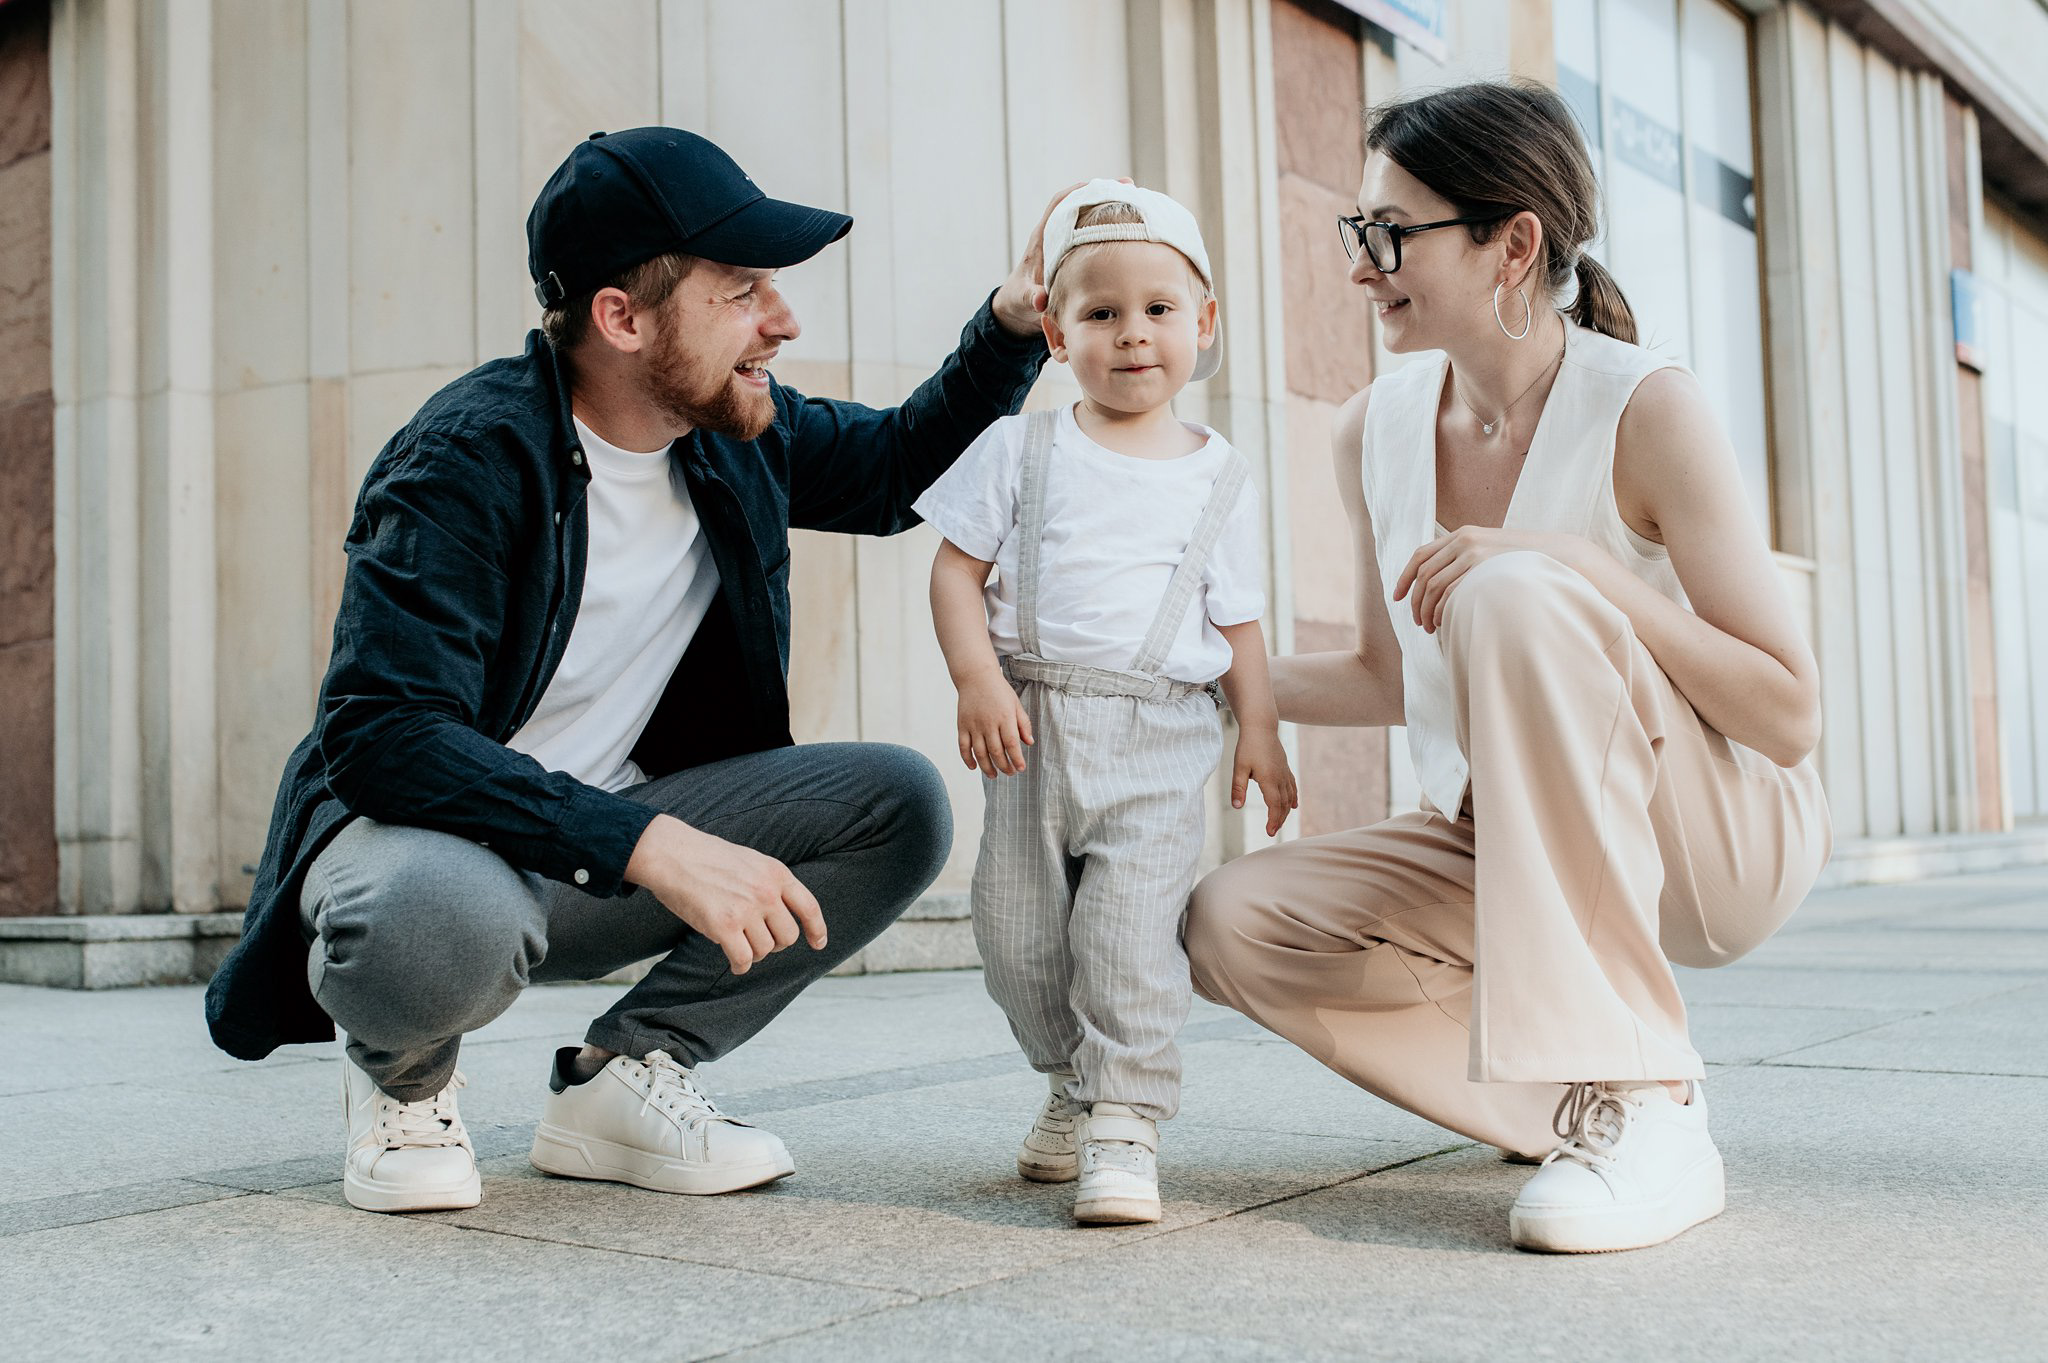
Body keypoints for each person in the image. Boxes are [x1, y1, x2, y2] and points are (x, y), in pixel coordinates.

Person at [204, 127, 1065, 1214]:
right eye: (742, 291)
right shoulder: (464, 459)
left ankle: (621, 1078)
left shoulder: (733, 435)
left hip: (593, 869)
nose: (782, 321)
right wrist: (648, 842)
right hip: (442, 861)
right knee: (436, 918)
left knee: (896, 802)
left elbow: (895, 470)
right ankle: (404, 1082)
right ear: (621, 317)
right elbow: (383, 735)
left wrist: (1006, 329)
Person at [1182, 82, 1832, 1253]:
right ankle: (1574, 1102)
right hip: (1503, 836)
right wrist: (1189, 674)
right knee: (1235, 921)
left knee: (1518, 586)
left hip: (1711, 835)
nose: (1359, 265)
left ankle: (1641, 1095)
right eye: (1355, 232)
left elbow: (1786, 713)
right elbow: (1389, 681)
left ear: (1510, 243)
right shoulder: (1372, 429)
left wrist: (1580, 570)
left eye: (1389, 234)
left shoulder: (1645, 408)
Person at [914, 181, 1298, 1226]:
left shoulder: (1218, 474)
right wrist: (975, 677)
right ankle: (1065, 1085)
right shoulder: (1016, 449)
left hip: (1161, 732)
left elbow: (1240, 621)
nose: (1132, 335)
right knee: (1019, 936)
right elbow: (953, 574)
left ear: (1204, 322)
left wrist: (1257, 728)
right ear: (1053, 330)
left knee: (1128, 935)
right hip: (1029, 727)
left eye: (1159, 310)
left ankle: (1122, 1119)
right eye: (1100, 313)